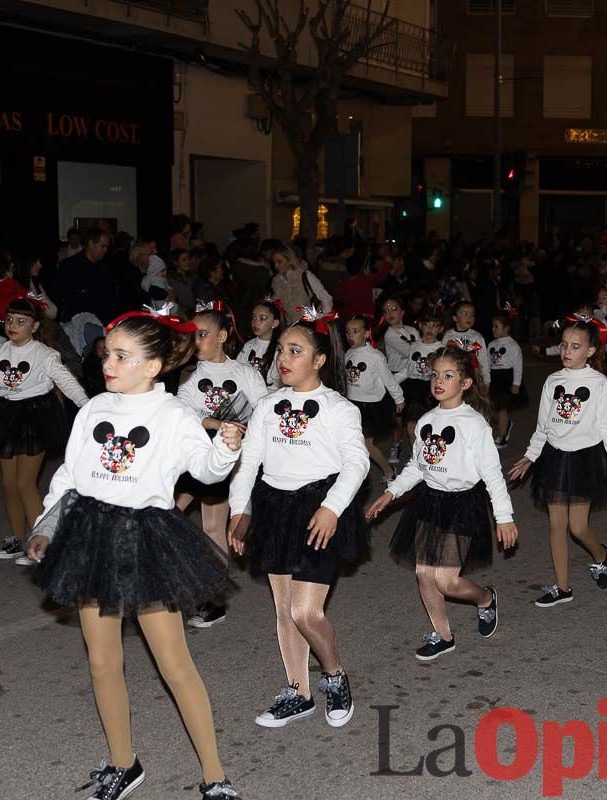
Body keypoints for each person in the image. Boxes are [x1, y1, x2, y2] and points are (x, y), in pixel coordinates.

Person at [25, 307, 246, 800]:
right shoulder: (93, 409)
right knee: (102, 662)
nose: (109, 364)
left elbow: (207, 473)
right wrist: (47, 523)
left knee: (174, 664)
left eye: (123, 356)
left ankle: (215, 776)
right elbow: (70, 475)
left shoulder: (173, 416)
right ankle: (123, 763)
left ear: (153, 366)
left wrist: (226, 447)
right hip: (90, 533)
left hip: (146, 539)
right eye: (109, 354)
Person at [227, 307, 368, 730]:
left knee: (307, 612)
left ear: (320, 359)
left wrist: (332, 506)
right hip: (274, 508)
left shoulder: (338, 408)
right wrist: (239, 511)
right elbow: (248, 463)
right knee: (284, 609)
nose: (283, 359)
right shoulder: (268, 405)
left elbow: (357, 463)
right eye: (280, 350)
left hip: (319, 509)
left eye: (295, 350)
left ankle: (335, 676)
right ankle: (298, 691)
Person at [366, 345, 517, 661]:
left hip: (462, 504)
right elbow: (418, 466)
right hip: (430, 502)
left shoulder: (474, 424)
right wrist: (391, 493)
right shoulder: (426, 420)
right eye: (435, 374)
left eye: (448, 375)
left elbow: (492, 473)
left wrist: (504, 516)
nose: (438, 380)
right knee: (424, 574)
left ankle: (486, 598)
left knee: (446, 581)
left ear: (465, 384)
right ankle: (443, 635)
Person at [507, 314, 607, 608]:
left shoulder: (598, 383)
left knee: (578, 528)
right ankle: (562, 587)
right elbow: (543, 427)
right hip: (554, 457)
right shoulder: (553, 381)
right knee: (556, 526)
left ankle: (601, 556)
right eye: (563, 345)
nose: (566, 351)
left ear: (590, 351)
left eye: (575, 347)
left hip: (584, 459)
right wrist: (529, 456)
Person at [0, 297, 89, 563]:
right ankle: (16, 540)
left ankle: (41, 543)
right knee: (8, 484)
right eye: (9, 320)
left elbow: (68, 383)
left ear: (35, 326)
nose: (13, 325)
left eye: (21, 321)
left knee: (24, 483)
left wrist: (89, 409)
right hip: (6, 417)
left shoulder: (45, 355)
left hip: (36, 418)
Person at [175, 301, 268, 629]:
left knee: (213, 527)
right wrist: (215, 423)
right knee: (163, 513)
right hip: (194, 457)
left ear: (222, 336)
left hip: (228, 459)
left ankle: (211, 599)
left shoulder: (245, 374)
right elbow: (184, 415)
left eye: (202, 334)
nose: (195, 340)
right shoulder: (189, 377)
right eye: (192, 335)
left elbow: (265, 410)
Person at [343, 315, 404, 484]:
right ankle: (353, 475)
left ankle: (389, 471)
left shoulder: (375, 357)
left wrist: (399, 398)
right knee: (350, 442)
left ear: (367, 333)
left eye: (355, 331)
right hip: (352, 404)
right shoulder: (349, 353)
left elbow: (389, 380)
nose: (350, 336)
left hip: (370, 407)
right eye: (347, 332)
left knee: (367, 445)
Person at [395, 308, 445, 451]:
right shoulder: (414, 345)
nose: (430, 328)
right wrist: (391, 381)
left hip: (431, 390)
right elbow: (408, 369)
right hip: (414, 388)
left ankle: (431, 454)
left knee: (431, 428)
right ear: (420, 325)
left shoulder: (441, 348)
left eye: (434, 325)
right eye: (426, 324)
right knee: (411, 426)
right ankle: (416, 457)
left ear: (440, 329)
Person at [378, 296, 420, 465]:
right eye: (386, 311)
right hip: (397, 377)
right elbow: (413, 352)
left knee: (413, 417)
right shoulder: (390, 335)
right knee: (398, 417)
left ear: (402, 312)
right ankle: (396, 444)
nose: (390, 313)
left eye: (394, 309)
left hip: (414, 376)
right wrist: (421, 348)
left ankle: (416, 450)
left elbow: (419, 352)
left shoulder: (412, 330)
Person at [54, 229, 118, 325]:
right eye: (103, 246)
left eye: (107, 247)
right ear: (91, 244)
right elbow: (58, 295)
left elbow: (111, 299)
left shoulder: (106, 269)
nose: (106, 250)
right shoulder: (69, 266)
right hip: (76, 325)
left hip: (101, 324)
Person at [487, 310, 526, 448]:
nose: (493, 329)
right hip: (494, 379)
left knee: (502, 409)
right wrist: (486, 380)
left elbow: (518, 366)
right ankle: (506, 425)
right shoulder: (491, 345)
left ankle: (502, 437)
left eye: (496, 326)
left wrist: (516, 383)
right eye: (492, 326)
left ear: (506, 328)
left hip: (507, 379)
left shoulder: (513, 345)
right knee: (493, 409)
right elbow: (487, 364)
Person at [236, 299, 282, 387]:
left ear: (275, 323)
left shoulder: (280, 348)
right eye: (253, 318)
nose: (255, 322)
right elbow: (238, 369)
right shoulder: (248, 345)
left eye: (262, 318)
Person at [443, 302, 491, 383]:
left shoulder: (477, 337)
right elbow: (442, 357)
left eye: (472, 315)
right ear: (455, 318)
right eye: (465, 314)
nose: (470, 317)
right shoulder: (448, 335)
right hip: (452, 378)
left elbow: (484, 362)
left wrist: (486, 382)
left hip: (472, 378)